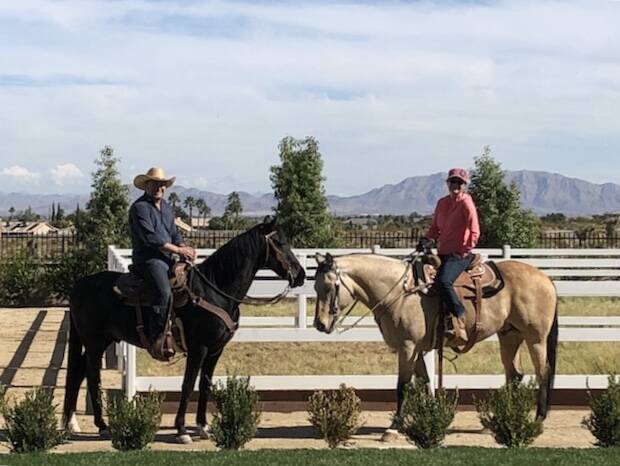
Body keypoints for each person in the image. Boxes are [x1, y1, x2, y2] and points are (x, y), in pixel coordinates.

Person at [129, 167, 196, 360]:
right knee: (164, 292)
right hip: (148, 260)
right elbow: (152, 238)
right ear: (147, 185)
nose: (159, 188)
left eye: (162, 185)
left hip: (167, 259)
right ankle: (156, 337)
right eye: (155, 184)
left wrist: (185, 248)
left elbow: (174, 233)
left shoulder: (166, 207)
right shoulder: (139, 208)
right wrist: (179, 250)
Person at [417, 167, 480, 343]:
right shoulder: (442, 203)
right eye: (452, 181)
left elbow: (474, 230)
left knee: (444, 281)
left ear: (465, 185)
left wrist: (465, 249)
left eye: (459, 182)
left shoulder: (466, 203)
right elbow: (435, 228)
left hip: (459, 255)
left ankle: (459, 317)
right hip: (443, 252)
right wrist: (426, 239)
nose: (455, 185)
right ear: (447, 183)